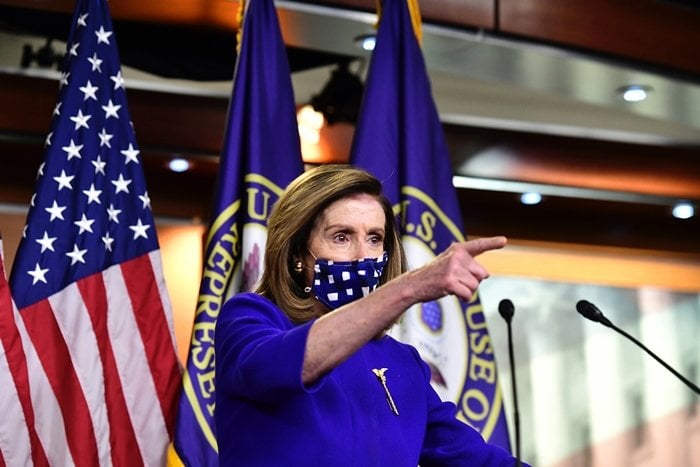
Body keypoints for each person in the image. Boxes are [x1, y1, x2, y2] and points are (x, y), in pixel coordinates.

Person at [215, 164, 527, 466]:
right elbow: (289, 365)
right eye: (342, 236)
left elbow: (468, 456)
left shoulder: (402, 361)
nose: (363, 256)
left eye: (375, 238)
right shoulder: (250, 318)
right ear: (297, 254)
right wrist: (410, 287)